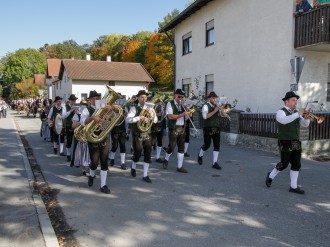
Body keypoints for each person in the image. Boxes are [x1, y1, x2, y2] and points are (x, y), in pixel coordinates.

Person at [265, 91, 310, 195]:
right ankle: (271, 175)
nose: (295, 102)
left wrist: (306, 118)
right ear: (286, 101)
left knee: (297, 164)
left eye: (296, 100)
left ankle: (293, 186)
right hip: (284, 141)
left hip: (296, 141)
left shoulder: (296, 114)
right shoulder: (281, 112)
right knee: (284, 164)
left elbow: (305, 124)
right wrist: (298, 113)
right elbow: (284, 120)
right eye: (293, 100)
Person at [80, 90, 112, 194]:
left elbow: (112, 119)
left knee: (104, 161)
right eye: (93, 99)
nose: (95, 100)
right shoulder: (86, 110)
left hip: (103, 137)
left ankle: (103, 185)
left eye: (97, 98)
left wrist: (112, 109)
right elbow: (83, 122)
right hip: (92, 138)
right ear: (89, 100)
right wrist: (93, 118)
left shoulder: (104, 108)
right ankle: (92, 175)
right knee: (94, 162)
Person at [126, 90, 158, 183]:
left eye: (145, 97)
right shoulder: (134, 108)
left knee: (148, 153)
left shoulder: (151, 108)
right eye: (141, 97)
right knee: (138, 152)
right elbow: (128, 120)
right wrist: (139, 117)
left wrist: (151, 115)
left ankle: (145, 175)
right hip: (137, 133)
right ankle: (133, 164)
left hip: (148, 133)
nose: (144, 99)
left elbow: (155, 121)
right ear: (138, 98)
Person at [162, 89, 191, 173]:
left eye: (182, 97)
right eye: (179, 96)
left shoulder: (183, 105)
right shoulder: (170, 103)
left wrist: (189, 112)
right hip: (173, 127)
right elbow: (170, 116)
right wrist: (182, 114)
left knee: (181, 147)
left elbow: (188, 116)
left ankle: (180, 166)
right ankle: (166, 158)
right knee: (172, 146)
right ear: (175, 95)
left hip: (182, 127)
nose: (180, 98)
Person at [197, 92, 222, 170]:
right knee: (207, 145)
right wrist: (215, 111)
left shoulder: (217, 106)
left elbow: (223, 115)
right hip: (208, 128)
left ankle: (214, 162)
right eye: (213, 98)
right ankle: (200, 154)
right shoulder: (205, 106)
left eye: (215, 98)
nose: (215, 100)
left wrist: (223, 111)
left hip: (217, 127)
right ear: (210, 98)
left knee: (217, 145)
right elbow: (205, 117)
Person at [109, 105, 128, 170]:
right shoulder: (112, 113)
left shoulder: (124, 112)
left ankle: (123, 163)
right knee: (115, 145)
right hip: (114, 131)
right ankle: (112, 158)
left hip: (122, 131)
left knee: (122, 145)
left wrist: (127, 132)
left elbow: (126, 122)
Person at [62, 94, 78, 162]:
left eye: (74, 100)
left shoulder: (77, 107)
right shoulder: (65, 107)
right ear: (69, 101)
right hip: (69, 125)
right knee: (69, 141)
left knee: (77, 141)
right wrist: (70, 111)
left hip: (76, 125)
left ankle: (75, 155)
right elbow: (63, 116)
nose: (73, 102)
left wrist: (78, 112)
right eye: (72, 101)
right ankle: (68, 154)